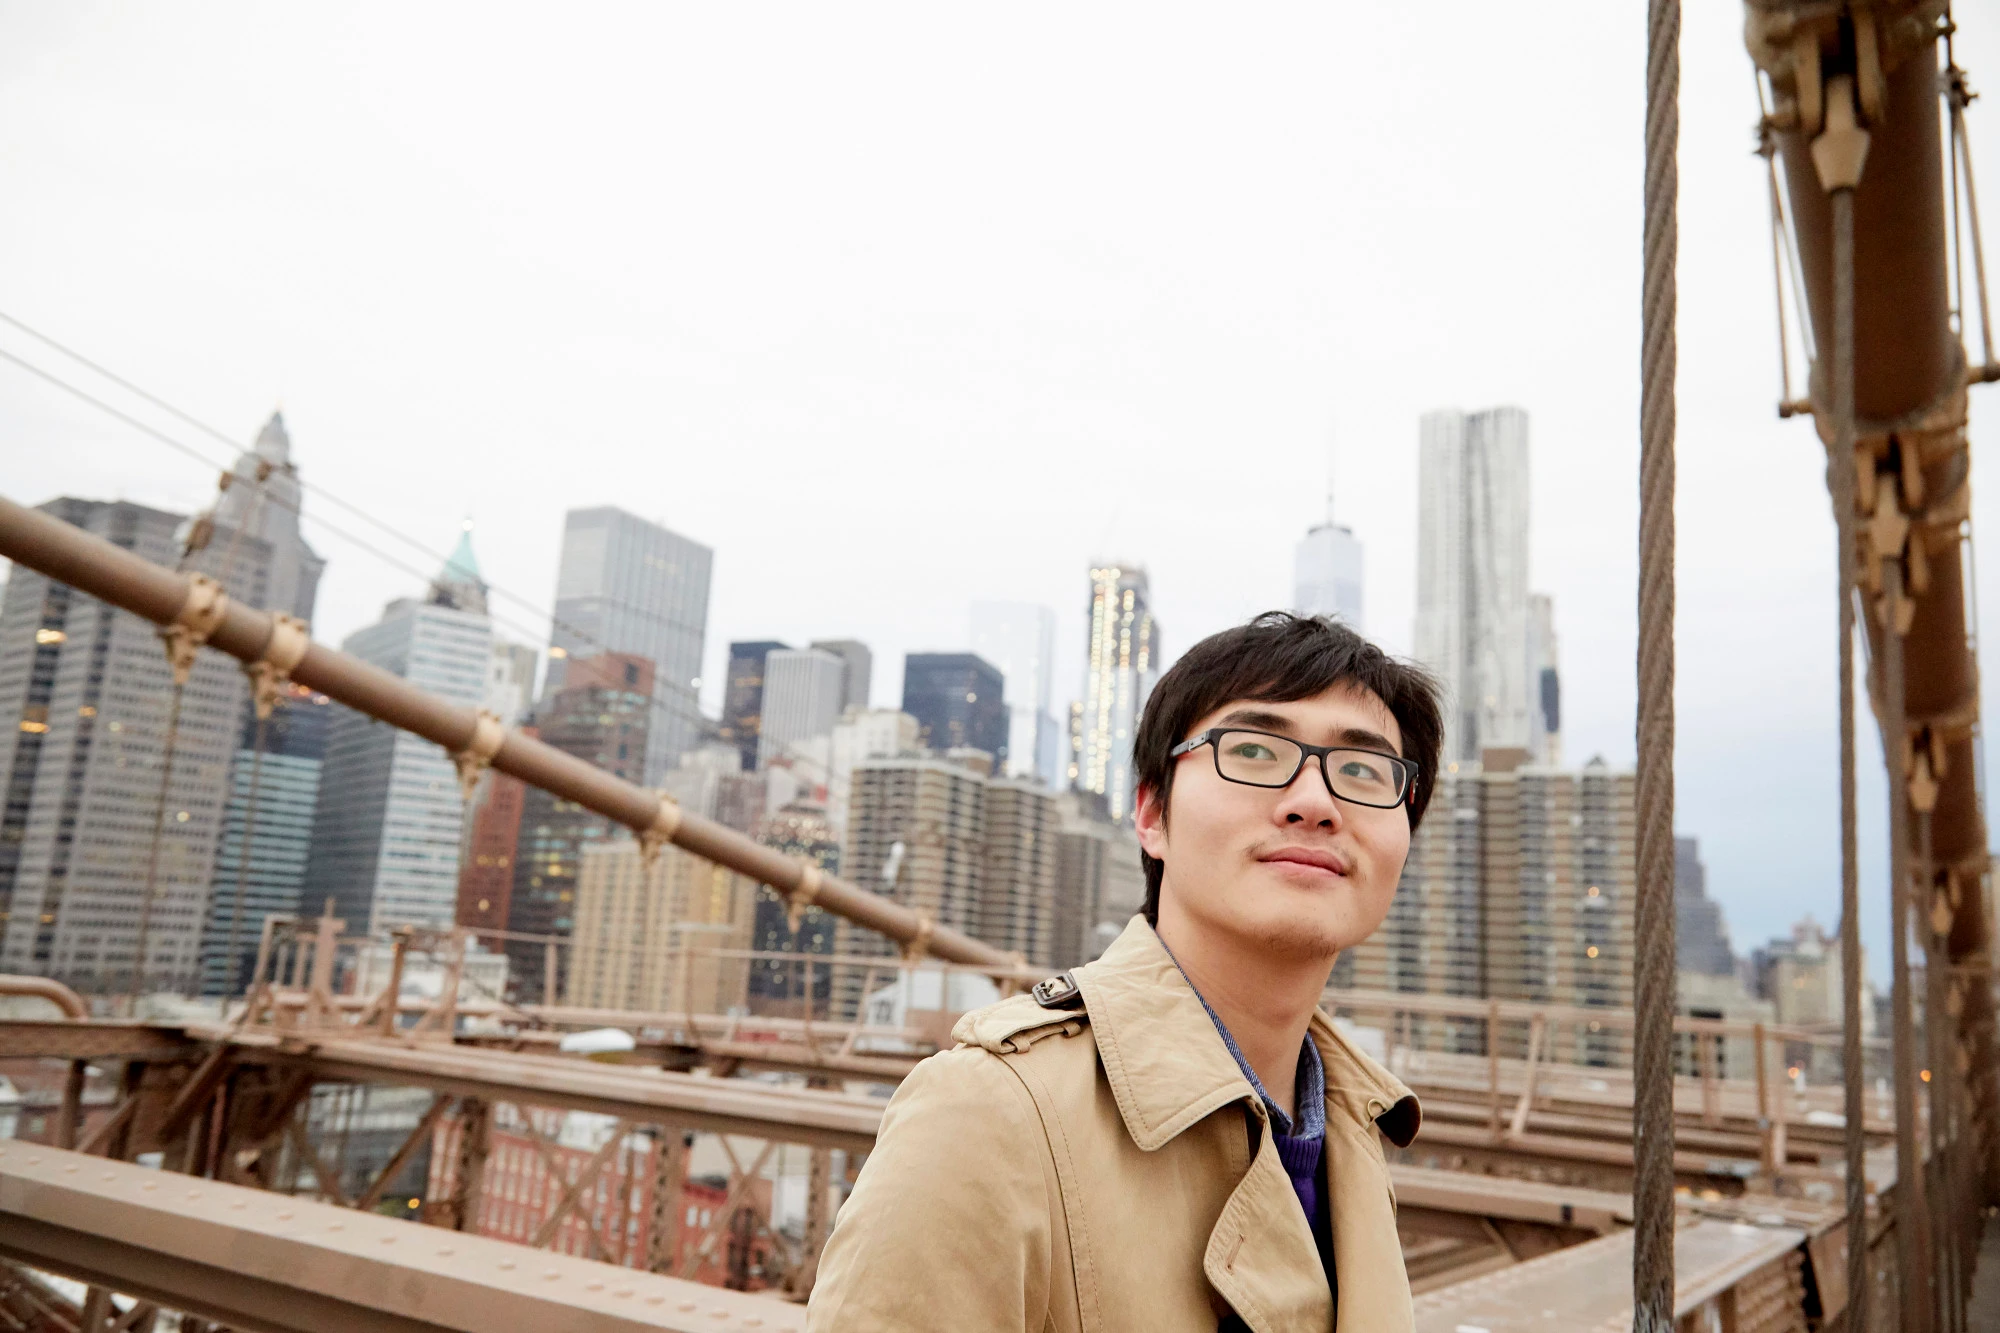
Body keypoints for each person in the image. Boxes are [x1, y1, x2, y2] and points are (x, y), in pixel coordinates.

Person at [808, 612, 1444, 1332]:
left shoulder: (1355, 1130)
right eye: (1256, 751)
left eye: (1363, 771)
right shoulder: (994, 1111)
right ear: (1150, 812)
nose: (1315, 802)